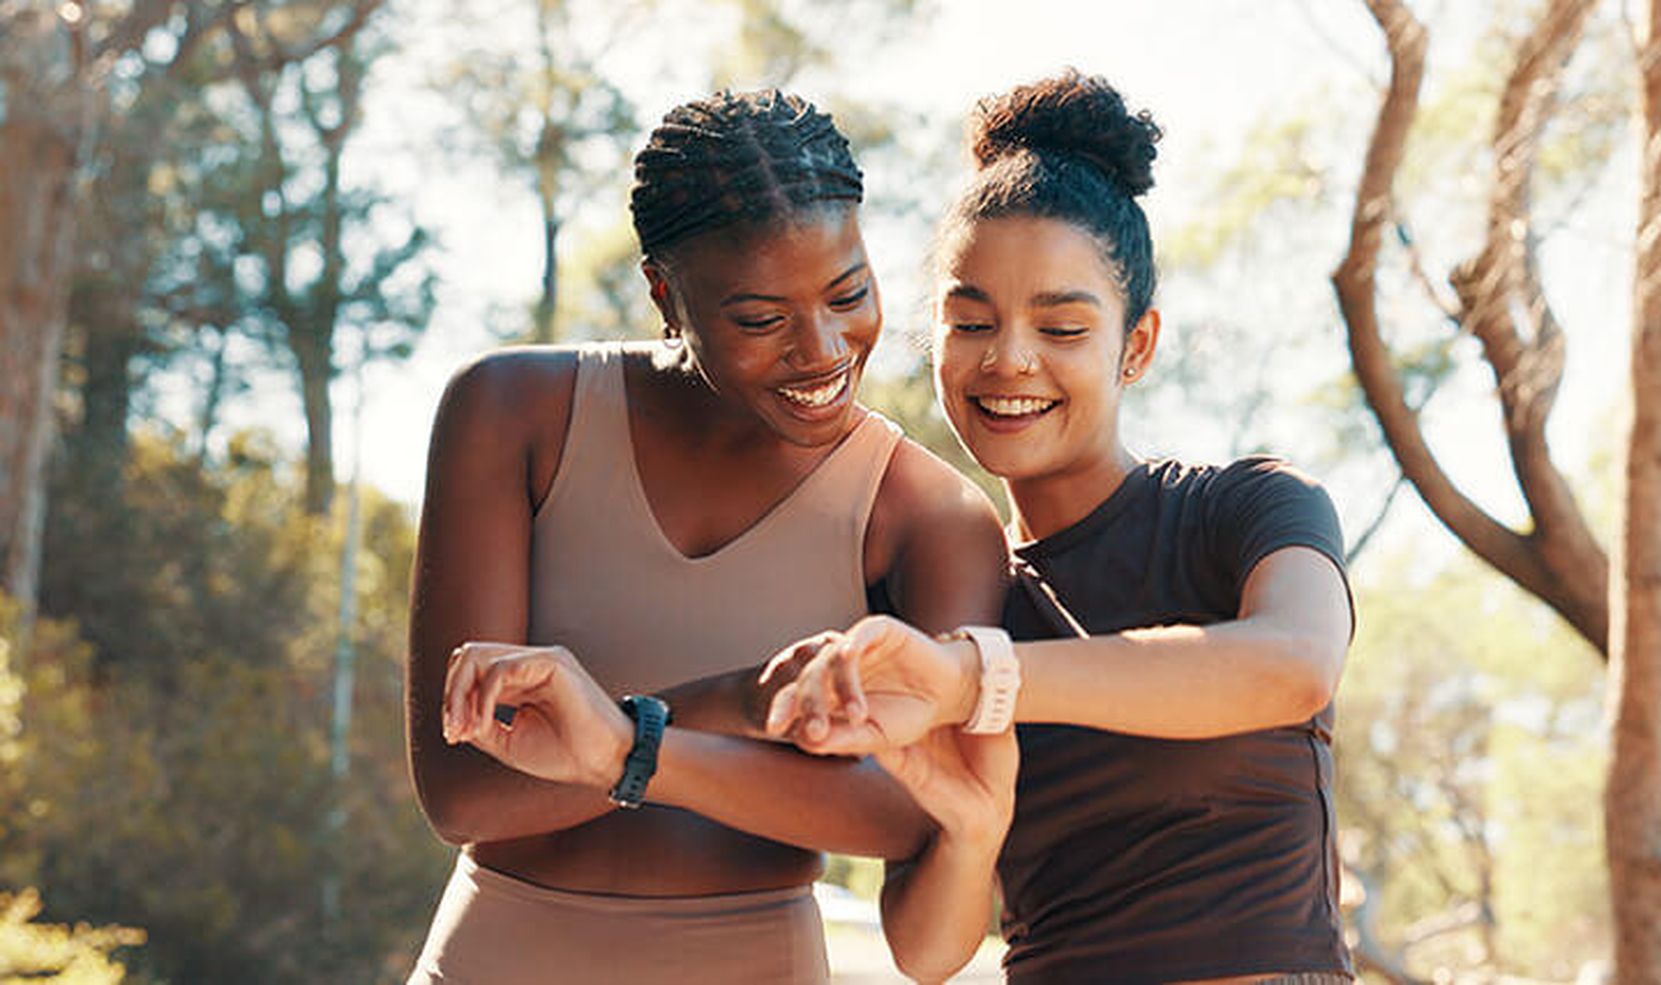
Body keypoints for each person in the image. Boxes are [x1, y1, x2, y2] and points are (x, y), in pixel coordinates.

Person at [447, 72, 1355, 984]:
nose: (1009, 359)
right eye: (970, 320)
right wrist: (972, 824)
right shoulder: (965, 590)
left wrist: (971, 678)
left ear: (1139, 344)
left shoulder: (1246, 508)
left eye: (1063, 327)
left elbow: (1290, 665)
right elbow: (928, 949)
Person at [405, 88, 1007, 985]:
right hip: (497, 955)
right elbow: (465, 791)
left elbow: (903, 817)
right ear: (665, 292)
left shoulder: (930, 517)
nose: (823, 349)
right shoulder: (512, 415)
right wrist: (735, 703)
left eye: (850, 293)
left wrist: (625, 739)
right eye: (761, 320)